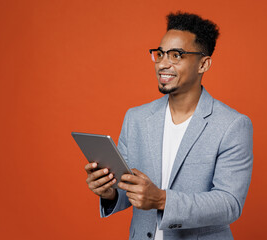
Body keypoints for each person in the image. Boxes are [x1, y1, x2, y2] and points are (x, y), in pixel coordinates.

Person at [84, 12, 253, 240]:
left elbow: (230, 203)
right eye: (160, 53)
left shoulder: (232, 125)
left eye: (177, 55)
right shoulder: (136, 118)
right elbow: (129, 189)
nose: (163, 63)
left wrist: (162, 199)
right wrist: (110, 192)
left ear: (204, 64)